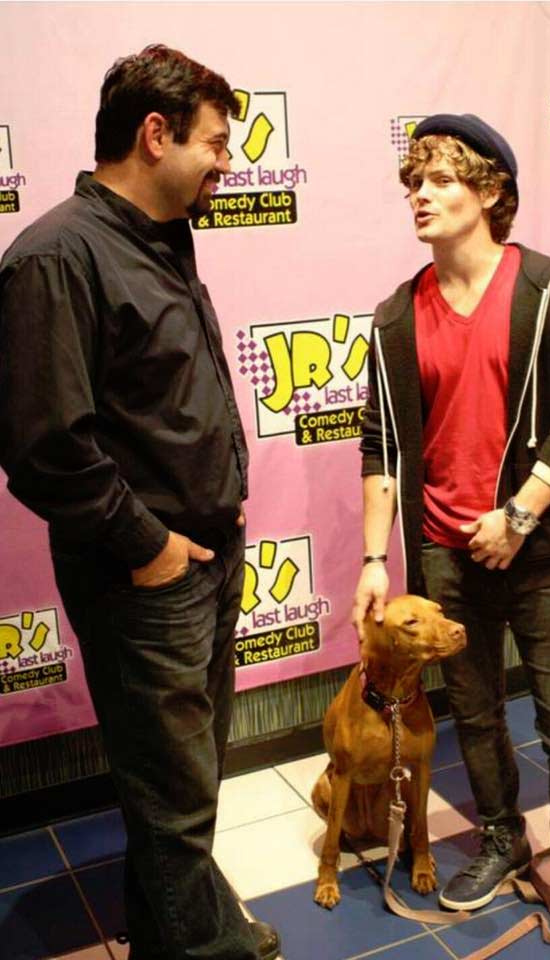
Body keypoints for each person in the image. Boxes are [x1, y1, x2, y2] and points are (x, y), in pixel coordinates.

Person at [0, 44, 279, 960]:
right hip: (145, 577)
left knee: (182, 791)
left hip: (204, 561)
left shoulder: (162, 235)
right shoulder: (56, 257)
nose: (227, 163)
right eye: (216, 144)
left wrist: (223, 503)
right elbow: (45, 446)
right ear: (156, 135)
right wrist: (149, 546)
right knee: (174, 797)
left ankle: (184, 933)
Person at [353, 113, 550, 960]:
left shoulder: (548, 290)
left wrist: (519, 514)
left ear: (489, 192)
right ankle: (504, 836)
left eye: (440, 179)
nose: (420, 195)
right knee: (474, 715)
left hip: (540, 550)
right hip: (444, 554)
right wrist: (374, 558)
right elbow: (381, 443)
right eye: (414, 181)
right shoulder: (395, 317)